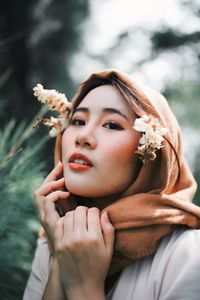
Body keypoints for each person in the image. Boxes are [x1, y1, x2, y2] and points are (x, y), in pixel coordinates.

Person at [23, 69, 200, 300]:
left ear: (152, 157)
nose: (83, 136)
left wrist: (83, 289)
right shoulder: (53, 241)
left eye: (112, 125)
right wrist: (59, 260)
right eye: (77, 121)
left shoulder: (187, 254)